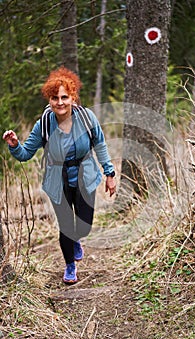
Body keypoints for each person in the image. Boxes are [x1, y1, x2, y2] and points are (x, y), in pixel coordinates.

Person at [3, 66, 116, 285]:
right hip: (58, 179)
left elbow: (100, 145)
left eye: (65, 97)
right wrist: (15, 145)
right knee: (66, 226)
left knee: (84, 225)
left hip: (85, 175)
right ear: (50, 99)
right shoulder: (44, 124)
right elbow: (26, 154)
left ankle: (76, 239)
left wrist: (109, 173)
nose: (60, 102)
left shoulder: (86, 118)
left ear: (73, 98)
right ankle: (70, 265)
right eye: (55, 98)